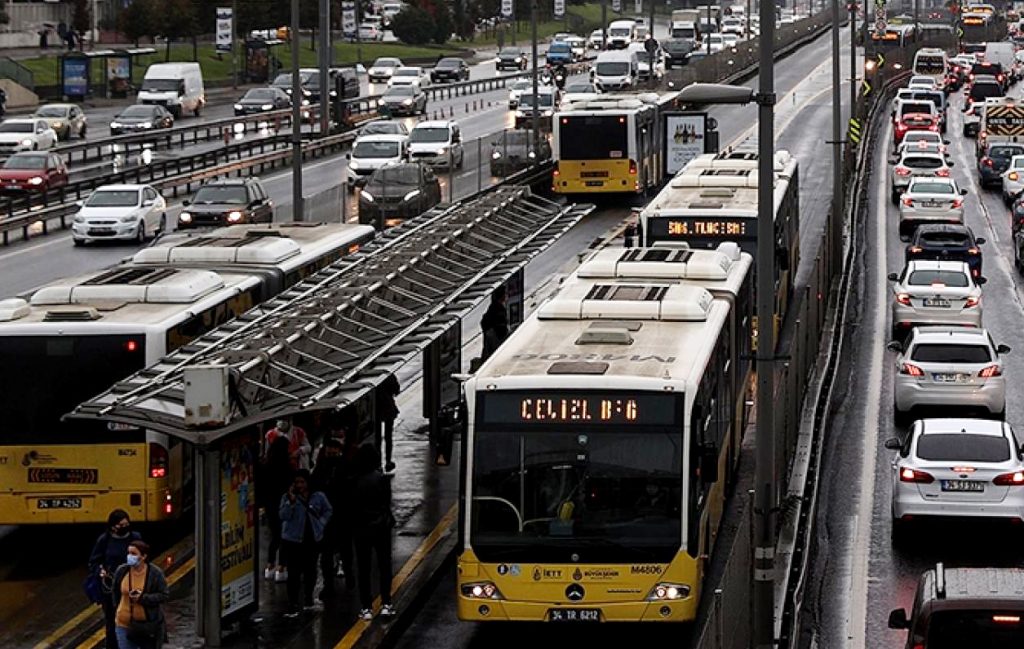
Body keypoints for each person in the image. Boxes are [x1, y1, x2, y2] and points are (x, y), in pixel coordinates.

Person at [279, 469, 333, 617]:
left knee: (310, 570)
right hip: (293, 540)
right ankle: (293, 602)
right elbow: (283, 516)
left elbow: (328, 510)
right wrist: (291, 502)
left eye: (302, 482)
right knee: (293, 573)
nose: (300, 485)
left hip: (311, 539)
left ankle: (308, 597)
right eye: (297, 482)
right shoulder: (287, 497)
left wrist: (321, 523)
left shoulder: (318, 496)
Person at [353, 446, 396, 621]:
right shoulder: (382, 480)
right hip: (381, 527)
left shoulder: (355, 480)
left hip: (361, 528)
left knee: (363, 568)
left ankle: (366, 607)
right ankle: (386, 603)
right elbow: (387, 502)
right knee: (384, 565)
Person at [88, 509, 143, 649]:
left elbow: (144, 558)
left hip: (132, 586)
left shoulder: (135, 537)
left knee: (132, 620)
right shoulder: (104, 540)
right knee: (112, 622)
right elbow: (94, 562)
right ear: (113, 526)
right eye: (121, 525)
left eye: (126, 524)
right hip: (111, 589)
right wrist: (100, 571)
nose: (124, 528)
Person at [312, 435, 355, 596]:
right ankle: (329, 583)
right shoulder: (324, 466)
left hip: (340, 514)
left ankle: (345, 576)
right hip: (330, 517)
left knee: (340, 550)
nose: (330, 454)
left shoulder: (343, 466)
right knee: (328, 553)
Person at [111, 540, 169, 649]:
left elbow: (164, 595)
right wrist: (117, 608)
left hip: (147, 627)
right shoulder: (122, 571)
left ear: (143, 556)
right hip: (123, 624)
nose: (129, 556)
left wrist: (142, 598)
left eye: (133, 553)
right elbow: (115, 592)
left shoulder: (155, 573)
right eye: (128, 553)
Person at [259, 434, 293, 583]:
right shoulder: (287, 467)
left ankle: (270, 565)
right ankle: (282, 567)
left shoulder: (266, 466)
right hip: (283, 504)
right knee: (284, 536)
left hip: (270, 505)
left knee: (275, 535)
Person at [375, 375, 400, 474]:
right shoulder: (390, 376)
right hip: (388, 408)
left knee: (377, 438)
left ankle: (378, 463)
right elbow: (396, 391)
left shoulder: (374, 376)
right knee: (388, 437)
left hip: (376, 409)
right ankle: (388, 461)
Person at [480, 285, 509, 361]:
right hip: (496, 341)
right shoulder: (499, 309)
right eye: (505, 293)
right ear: (502, 296)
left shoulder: (493, 307)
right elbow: (501, 328)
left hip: (491, 341)